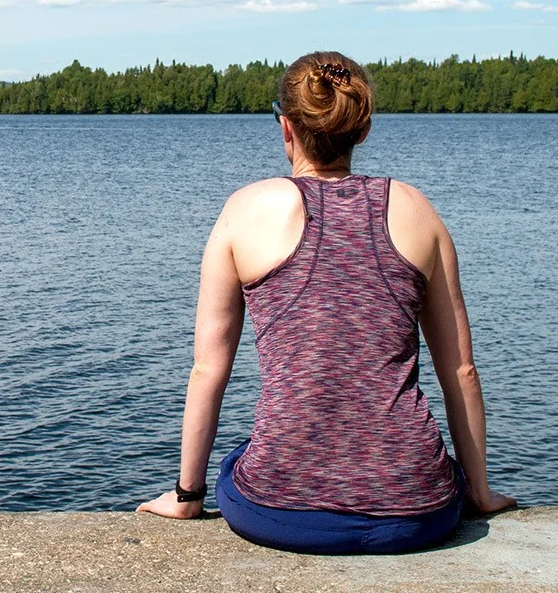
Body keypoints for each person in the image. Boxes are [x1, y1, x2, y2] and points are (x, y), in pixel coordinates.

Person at [137, 50, 516, 555]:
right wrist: (480, 493)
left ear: (286, 127)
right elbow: (461, 371)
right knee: (426, 466)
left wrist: (188, 496)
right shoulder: (415, 209)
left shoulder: (245, 209)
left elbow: (209, 370)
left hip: (282, 511)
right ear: (362, 130)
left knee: (238, 464)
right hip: (417, 510)